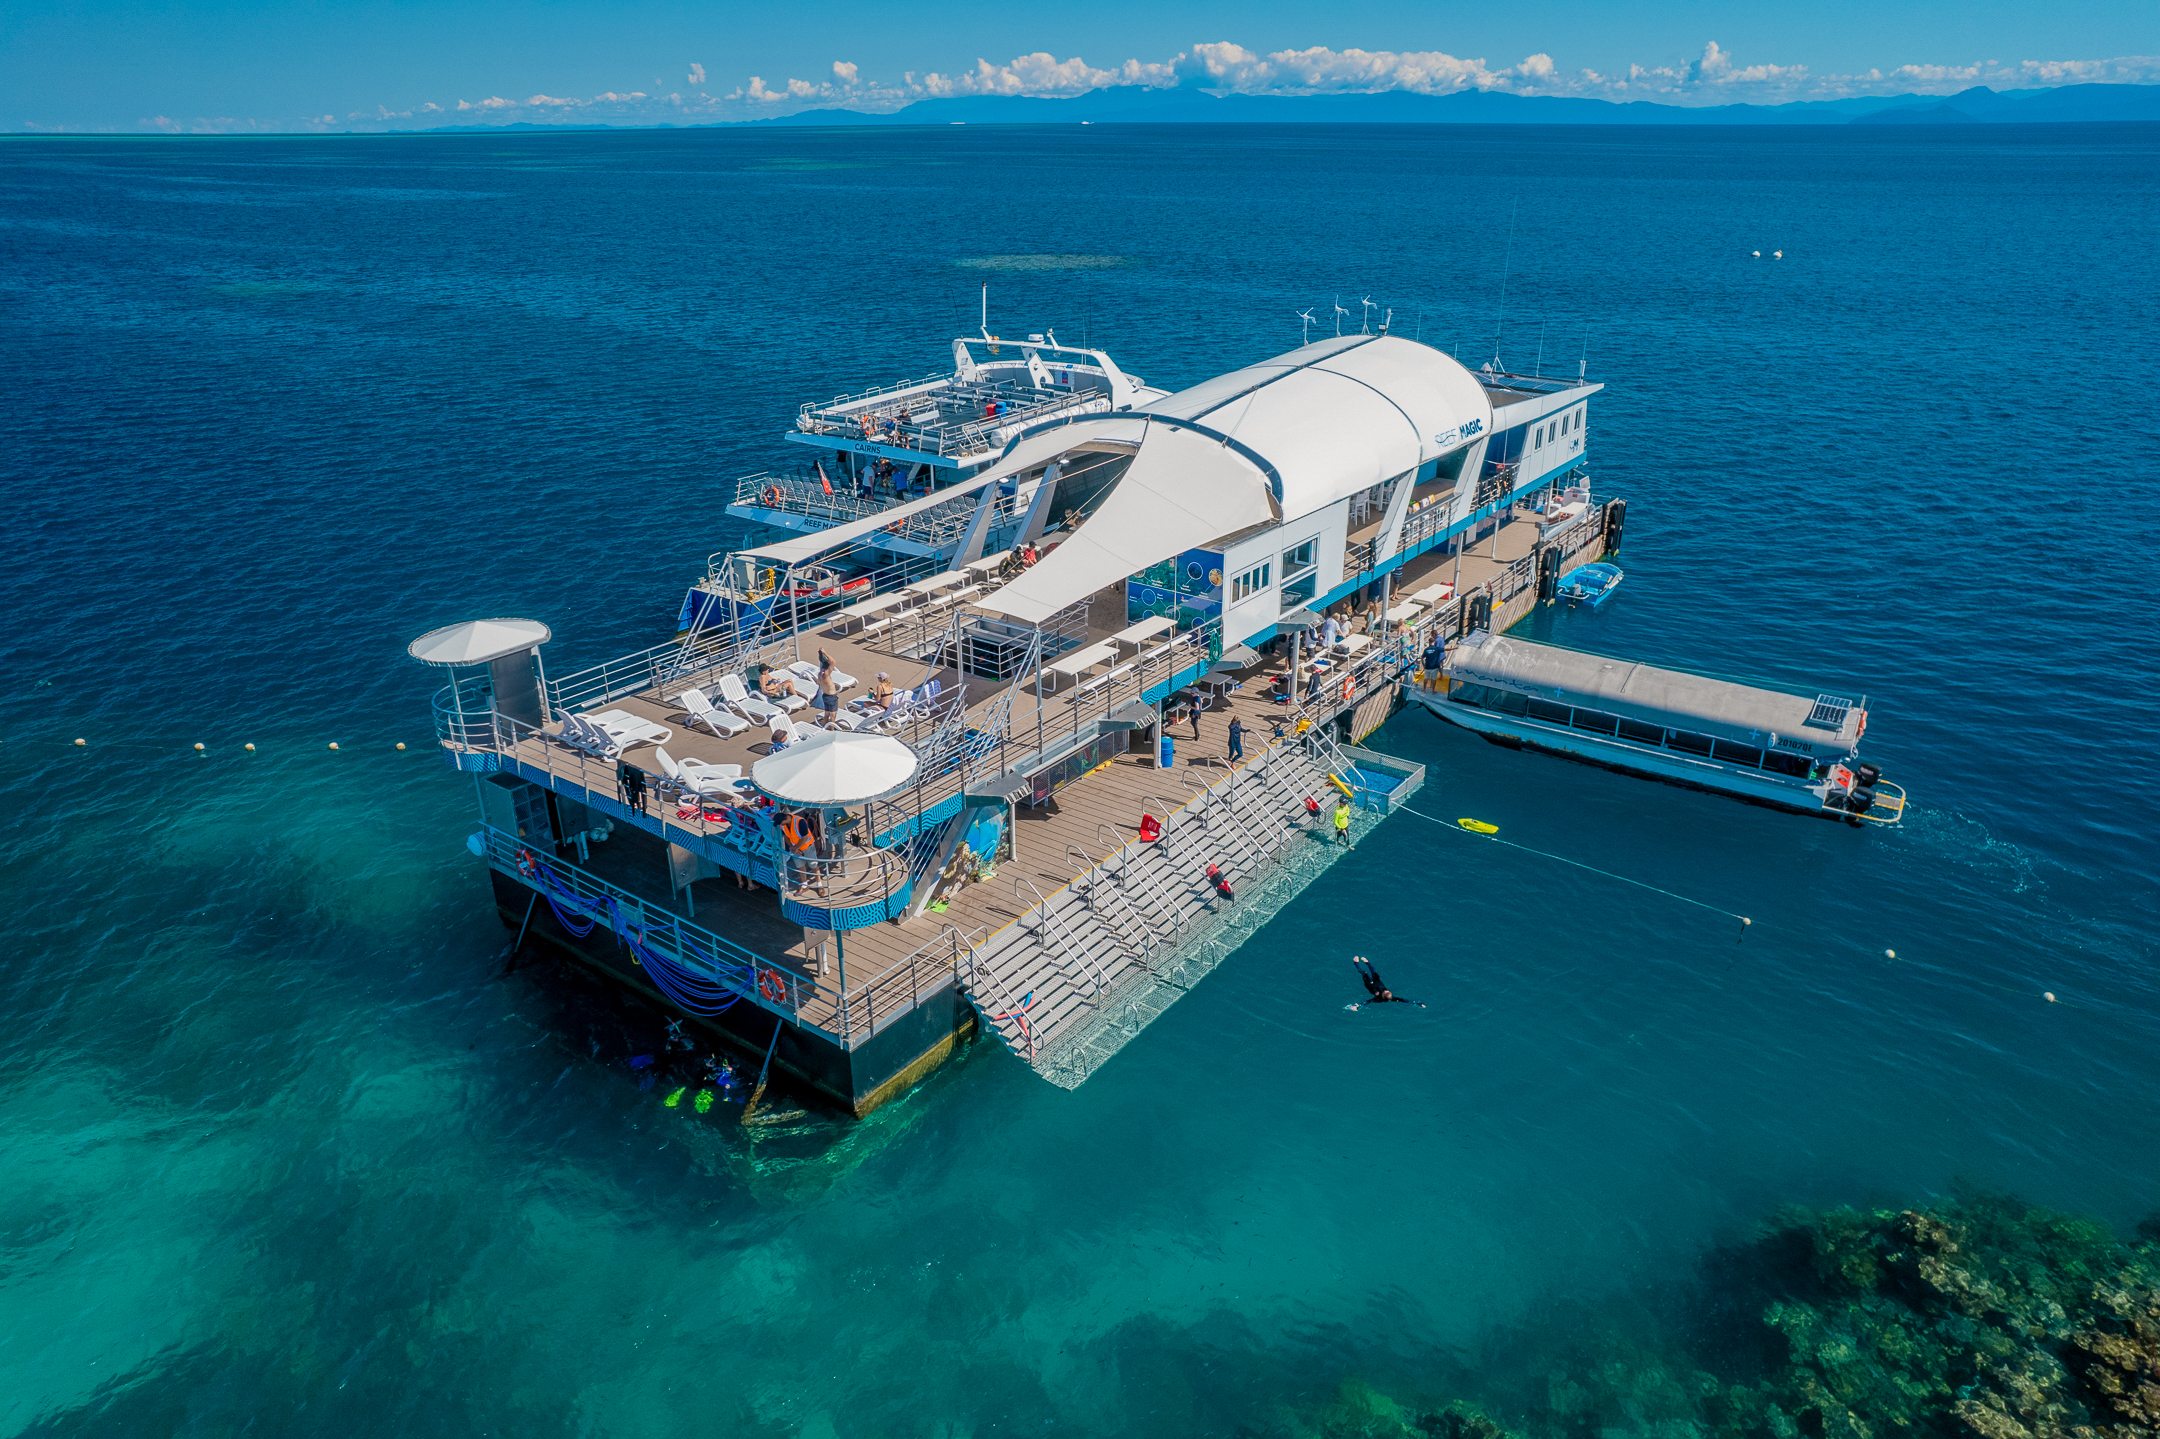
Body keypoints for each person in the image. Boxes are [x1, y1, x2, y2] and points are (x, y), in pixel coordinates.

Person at [1348, 955, 1423, 1010]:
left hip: (1369, 984)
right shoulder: (1391, 997)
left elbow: (1368, 1001)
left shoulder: (1378, 998)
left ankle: (1355, 963)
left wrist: (1357, 1006)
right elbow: (1404, 1000)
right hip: (1378, 982)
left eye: (1386, 992)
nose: (1386, 990)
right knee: (1374, 972)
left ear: (1383, 995)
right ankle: (1367, 962)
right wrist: (1418, 1003)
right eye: (1388, 991)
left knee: (1365, 973)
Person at [816, 651, 842, 727]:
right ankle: (832, 730)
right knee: (833, 716)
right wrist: (825, 652)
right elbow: (833, 661)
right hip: (831, 697)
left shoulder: (820, 674)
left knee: (826, 714)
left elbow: (818, 683)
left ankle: (824, 728)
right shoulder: (826, 674)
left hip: (825, 696)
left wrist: (821, 654)